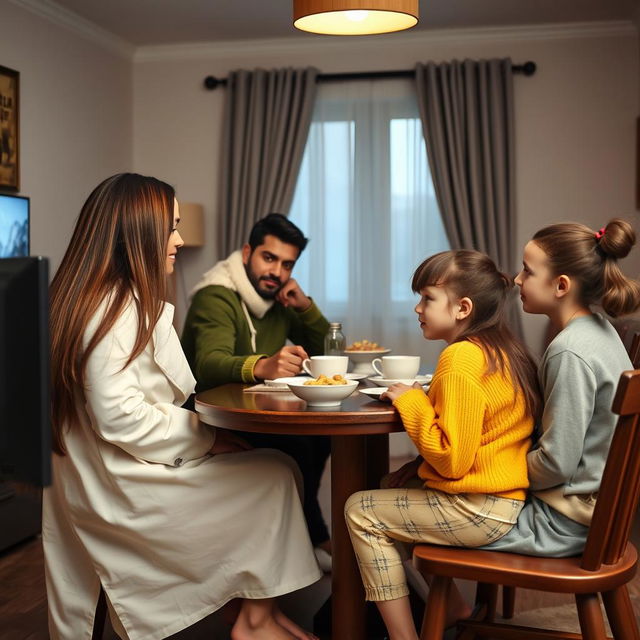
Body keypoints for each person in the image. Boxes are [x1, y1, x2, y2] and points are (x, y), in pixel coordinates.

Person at [43, 174, 322, 640]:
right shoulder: (111, 310)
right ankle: (254, 620)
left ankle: (256, 614)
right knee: (274, 474)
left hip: (118, 466)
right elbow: (121, 416)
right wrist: (207, 440)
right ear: (138, 232)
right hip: (122, 482)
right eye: (171, 228)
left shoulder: (111, 300)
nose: (180, 239)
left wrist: (207, 440)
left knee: (280, 468)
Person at [344, 250, 541, 640]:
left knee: (359, 510)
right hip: (503, 498)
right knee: (389, 486)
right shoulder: (501, 347)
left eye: (427, 298)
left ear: (462, 307)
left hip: (481, 508)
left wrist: (412, 400)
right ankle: (452, 606)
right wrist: (417, 463)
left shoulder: (460, 359)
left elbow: (452, 460)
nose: (417, 308)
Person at [481, 218, 640, 558]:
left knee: (427, 510)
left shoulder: (570, 351)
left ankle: (449, 609)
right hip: (588, 515)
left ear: (561, 286)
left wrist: (492, 468)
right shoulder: (600, 330)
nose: (517, 279)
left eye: (527, 272)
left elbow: (556, 464)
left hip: (561, 524)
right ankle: (456, 608)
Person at [182, 213, 332, 563]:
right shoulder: (216, 296)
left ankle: (302, 533)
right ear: (247, 252)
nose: (277, 272)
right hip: (207, 414)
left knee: (321, 437)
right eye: (269, 258)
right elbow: (207, 364)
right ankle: (307, 537)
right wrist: (263, 365)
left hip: (251, 410)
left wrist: (305, 307)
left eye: (287, 264)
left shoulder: (278, 297)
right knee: (298, 446)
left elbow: (327, 353)